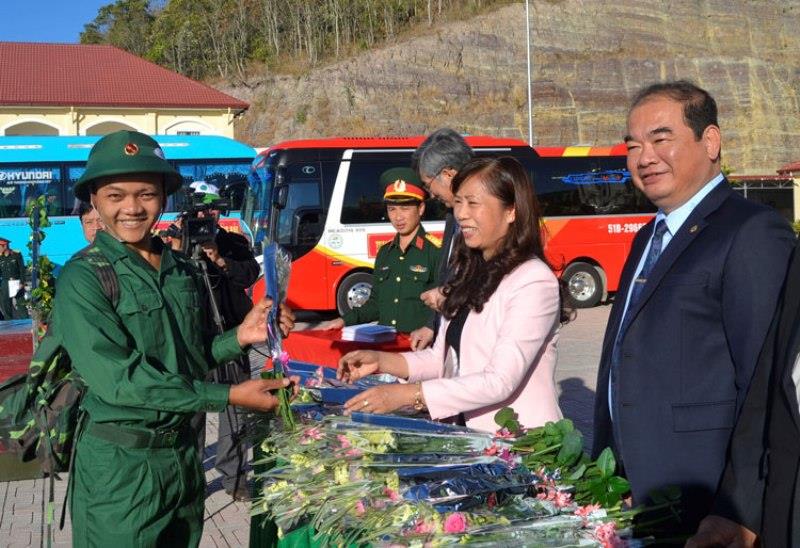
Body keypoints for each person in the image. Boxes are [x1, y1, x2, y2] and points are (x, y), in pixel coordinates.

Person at [51, 130, 296, 547]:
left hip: (181, 459)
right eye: (115, 196)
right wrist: (229, 397)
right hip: (120, 467)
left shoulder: (180, 268)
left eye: (145, 194)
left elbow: (186, 359)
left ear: (164, 197)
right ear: (94, 199)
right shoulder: (84, 278)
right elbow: (121, 380)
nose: (131, 208)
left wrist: (239, 336)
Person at [591, 81, 795, 532]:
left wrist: (739, 508)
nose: (644, 158)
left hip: (705, 501)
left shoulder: (752, 233)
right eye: (633, 146)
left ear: (711, 141)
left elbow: (764, 387)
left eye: (661, 139)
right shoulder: (648, 236)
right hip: (632, 488)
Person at [337, 157, 564, 433]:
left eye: (473, 203)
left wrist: (410, 395)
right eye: (458, 202)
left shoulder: (532, 280)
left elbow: (500, 380)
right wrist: (380, 361)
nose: (461, 214)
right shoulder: (467, 271)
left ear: (511, 211)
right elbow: (440, 359)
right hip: (466, 435)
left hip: (518, 442)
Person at [170, 183, 263, 502]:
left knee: (235, 409)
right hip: (190, 341)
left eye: (212, 210)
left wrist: (218, 258)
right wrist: (180, 249)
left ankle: (234, 477)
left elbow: (249, 275)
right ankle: (190, 478)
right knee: (190, 413)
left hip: (232, 336)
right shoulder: (172, 246)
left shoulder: (234, 243)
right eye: (199, 210)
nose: (206, 216)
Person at [319, 168, 440, 333]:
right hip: (386, 348)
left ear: (421, 209)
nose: (398, 217)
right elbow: (375, 305)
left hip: (419, 349)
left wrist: (429, 327)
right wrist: (343, 320)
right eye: (392, 209)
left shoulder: (435, 252)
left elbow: (444, 304)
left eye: (405, 208)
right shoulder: (385, 253)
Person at [407, 128, 473, 350]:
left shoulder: (483, 218)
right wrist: (431, 325)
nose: (430, 194)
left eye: (428, 184)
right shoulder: (452, 215)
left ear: (448, 174)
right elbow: (447, 275)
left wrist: (447, 295)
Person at [0, 237, 26, 320]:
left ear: (5, 246)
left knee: (21, 304)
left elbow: (22, 269)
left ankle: (26, 323)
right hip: (5, 283)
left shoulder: (16, 254)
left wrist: (22, 282)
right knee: (6, 305)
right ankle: (9, 324)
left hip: (16, 282)